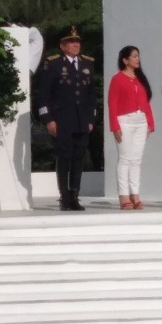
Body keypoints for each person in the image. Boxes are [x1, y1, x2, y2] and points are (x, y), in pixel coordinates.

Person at [36, 26, 97, 211]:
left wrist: (91, 119)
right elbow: (43, 95)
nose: (75, 45)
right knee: (64, 157)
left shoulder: (87, 64)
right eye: (71, 42)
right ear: (62, 46)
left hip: (81, 120)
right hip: (62, 120)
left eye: (77, 42)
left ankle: (74, 196)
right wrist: (48, 119)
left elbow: (91, 95)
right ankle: (64, 196)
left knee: (79, 158)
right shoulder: (53, 64)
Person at [108, 46, 154, 210]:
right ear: (125, 60)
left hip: (140, 121)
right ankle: (123, 195)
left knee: (136, 159)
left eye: (138, 56)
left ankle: (135, 193)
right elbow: (112, 103)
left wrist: (150, 123)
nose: (137, 59)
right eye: (134, 56)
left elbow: (146, 102)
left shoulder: (140, 78)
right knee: (125, 159)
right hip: (125, 122)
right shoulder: (117, 79)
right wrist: (114, 126)